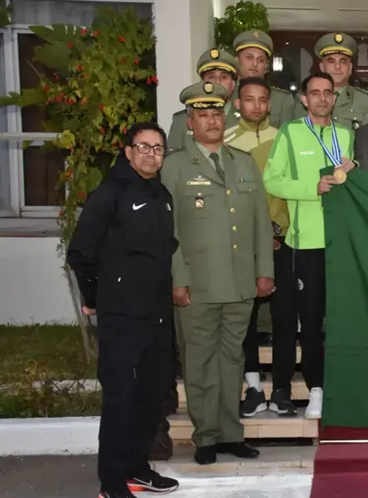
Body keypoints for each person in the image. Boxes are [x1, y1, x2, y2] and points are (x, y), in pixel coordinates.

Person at [162, 81, 275, 465]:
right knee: (200, 362)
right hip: (198, 284)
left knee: (233, 361)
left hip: (240, 282)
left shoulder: (242, 162)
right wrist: (178, 278)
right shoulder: (174, 166)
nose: (211, 120)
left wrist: (264, 271)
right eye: (203, 115)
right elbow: (168, 230)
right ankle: (205, 436)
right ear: (190, 122)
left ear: (224, 118)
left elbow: (261, 221)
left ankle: (230, 433)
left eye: (216, 113)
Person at [67, 122, 180, 498]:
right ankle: (112, 482)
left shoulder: (162, 194)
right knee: (120, 399)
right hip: (121, 316)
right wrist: (95, 297)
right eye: (143, 147)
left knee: (152, 395)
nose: (151, 154)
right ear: (128, 151)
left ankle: (137, 467)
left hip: (158, 315)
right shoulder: (110, 193)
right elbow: (81, 251)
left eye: (158, 148)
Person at [263, 71, 356, 420]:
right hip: (303, 244)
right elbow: (272, 180)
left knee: (336, 320)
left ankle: (332, 386)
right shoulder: (290, 132)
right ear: (303, 99)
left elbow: (353, 179)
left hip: (340, 243)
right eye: (314, 93)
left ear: (335, 98)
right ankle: (311, 387)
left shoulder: (345, 135)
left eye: (327, 93)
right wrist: (311, 188)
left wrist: (353, 169)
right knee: (308, 320)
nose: (321, 99)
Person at [223, 77, 296, 417]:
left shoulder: (284, 138)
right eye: (249, 99)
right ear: (238, 103)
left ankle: (281, 388)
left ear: (270, 104)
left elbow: (286, 190)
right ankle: (252, 387)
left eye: (262, 100)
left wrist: (276, 231)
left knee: (283, 318)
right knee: (245, 319)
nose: (256, 106)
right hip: (241, 246)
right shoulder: (225, 141)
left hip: (279, 241)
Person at [294, 32, 368, 131]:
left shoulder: (365, 102)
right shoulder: (304, 98)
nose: (337, 67)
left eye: (343, 61)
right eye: (331, 61)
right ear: (322, 67)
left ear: (350, 68)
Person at [167, 48, 240, 152]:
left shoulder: (245, 118)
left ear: (233, 84)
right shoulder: (182, 121)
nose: (217, 82)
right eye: (211, 77)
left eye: (223, 77)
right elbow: (172, 163)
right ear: (203, 83)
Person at [232, 30, 295, 127]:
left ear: (266, 66)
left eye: (260, 60)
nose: (255, 64)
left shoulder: (282, 100)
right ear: (237, 61)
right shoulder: (227, 95)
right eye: (249, 57)